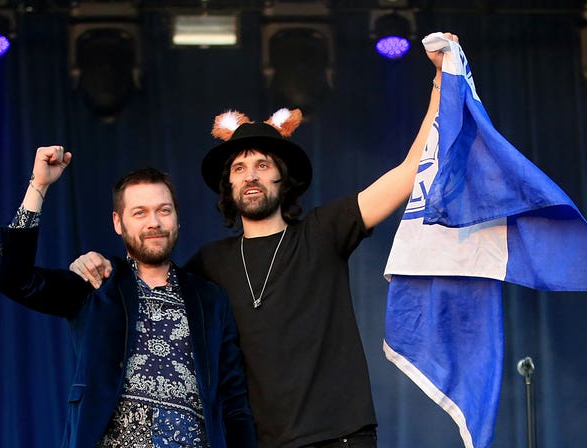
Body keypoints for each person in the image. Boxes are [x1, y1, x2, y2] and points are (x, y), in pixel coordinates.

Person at [70, 33, 457, 447]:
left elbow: (410, 170)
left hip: (340, 436)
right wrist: (93, 265)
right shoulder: (209, 265)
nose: (250, 174)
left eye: (261, 164)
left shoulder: (322, 232)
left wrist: (441, 80)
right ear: (229, 186)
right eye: (238, 168)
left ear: (281, 177)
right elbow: (148, 291)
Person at [0, 146, 256, 448]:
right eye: (140, 213)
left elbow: (234, 403)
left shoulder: (209, 299)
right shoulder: (97, 284)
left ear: (177, 218)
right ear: (118, 223)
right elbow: (16, 281)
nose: (154, 223)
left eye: (163, 210)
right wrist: (38, 186)